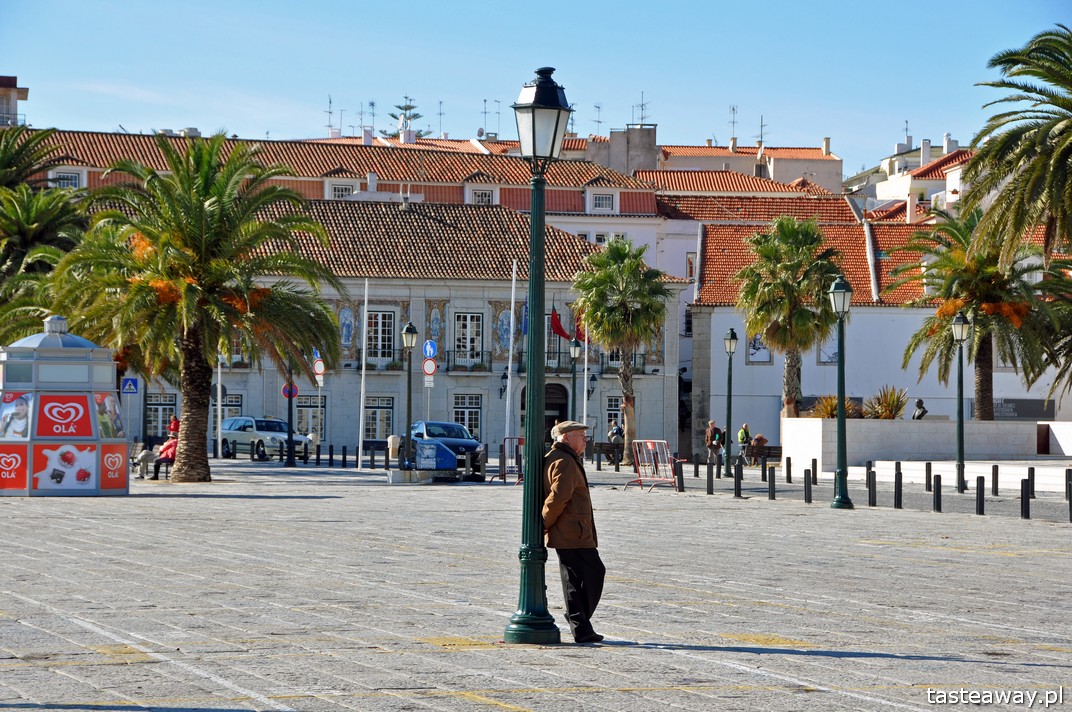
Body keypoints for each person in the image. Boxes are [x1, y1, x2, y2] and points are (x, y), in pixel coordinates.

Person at [542, 420, 605, 644]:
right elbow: (558, 497)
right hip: (572, 531)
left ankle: (581, 628)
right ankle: (578, 619)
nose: (585, 441)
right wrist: (543, 523)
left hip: (572, 530)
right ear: (566, 437)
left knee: (573, 581)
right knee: (594, 573)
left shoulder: (564, 458)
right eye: (581, 436)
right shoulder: (564, 461)